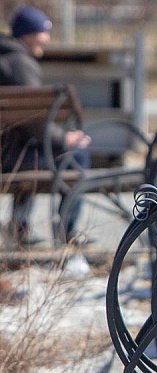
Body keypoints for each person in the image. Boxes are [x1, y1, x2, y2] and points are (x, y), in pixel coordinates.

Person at [0, 5, 91, 246]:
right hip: (12, 157)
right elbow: (33, 122)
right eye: (43, 33)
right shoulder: (20, 65)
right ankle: (67, 232)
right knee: (76, 156)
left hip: (8, 152)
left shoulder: (6, 59)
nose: (47, 39)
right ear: (28, 34)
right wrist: (65, 138)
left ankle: (19, 227)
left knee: (36, 151)